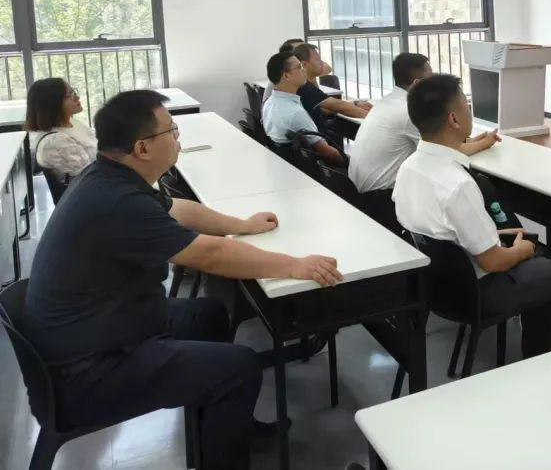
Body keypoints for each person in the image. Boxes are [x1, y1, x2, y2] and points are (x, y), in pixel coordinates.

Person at [22, 90, 342, 470]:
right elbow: (209, 254)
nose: (178, 138)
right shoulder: (117, 201)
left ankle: (224, 423)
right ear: (142, 148)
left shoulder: (109, 177)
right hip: (87, 372)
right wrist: (293, 265)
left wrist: (242, 225)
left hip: (102, 326)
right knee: (239, 367)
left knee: (207, 314)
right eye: (171, 131)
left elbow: (178, 210)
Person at [394, 74, 551, 363]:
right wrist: (521, 250)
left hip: (438, 288)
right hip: (477, 292)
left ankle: (545, 359)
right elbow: (493, 261)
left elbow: (443, 231)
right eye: (466, 105)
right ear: (454, 119)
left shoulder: (409, 167)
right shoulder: (457, 184)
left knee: (544, 267)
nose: (469, 111)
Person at [348, 53, 499, 194]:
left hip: (357, 188)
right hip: (381, 195)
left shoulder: (389, 101)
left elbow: (439, 141)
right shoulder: (408, 111)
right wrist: (483, 144)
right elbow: (445, 151)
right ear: (417, 84)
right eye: (431, 79)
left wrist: (473, 140)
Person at [262, 51, 345, 166]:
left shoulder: (269, 103)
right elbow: (328, 153)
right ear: (286, 76)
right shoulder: (295, 113)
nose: (304, 70)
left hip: (285, 165)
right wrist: (350, 163)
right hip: (311, 169)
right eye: (299, 67)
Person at [292, 42, 372, 138]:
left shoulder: (306, 84)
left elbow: (325, 109)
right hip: (317, 140)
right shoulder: (304, 87)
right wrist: (375, 116)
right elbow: (339, 106)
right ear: (304, 65)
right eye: (318, 59)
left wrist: (354, 103)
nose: (322, 62)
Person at [25, 78, 96, 182]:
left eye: (74, 91)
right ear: (53, 104)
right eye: (70, 94)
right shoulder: (55, 142)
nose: (77, 97)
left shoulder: (71, 123)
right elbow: (88, 176)